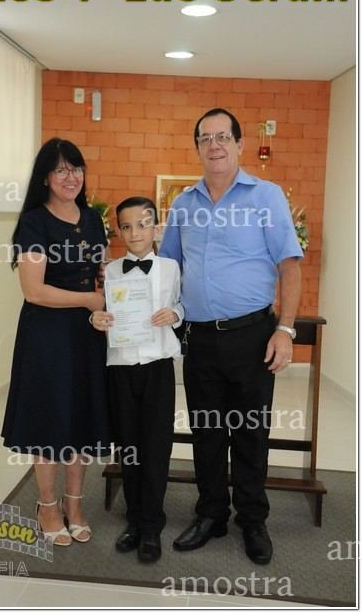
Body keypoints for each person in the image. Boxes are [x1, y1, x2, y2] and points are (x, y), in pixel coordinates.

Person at [158, 108, 303, 565]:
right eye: (205, 138)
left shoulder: (266, 196)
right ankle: (211, 514)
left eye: (223, 137)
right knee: (206, 432)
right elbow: (168, 268)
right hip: (199, 339)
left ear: (240, 144)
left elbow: (290, 266)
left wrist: (285, 330)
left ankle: (253, 520)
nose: (214, 145)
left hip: (252, 336)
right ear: (197, 148)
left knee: (250, 433)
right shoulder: (184, 204)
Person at [1, 138, 111, 546]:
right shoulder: (35, 222)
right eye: (61, 169)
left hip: (87, 334)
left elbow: (101, 272)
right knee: (50, 421)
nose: (71, 177)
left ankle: (74, 503)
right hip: (47, 335)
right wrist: (88, 300)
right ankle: (47, 505)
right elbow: (34, 291)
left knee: (80, 418)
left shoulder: (93, 218)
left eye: (76, 168)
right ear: (45, 177)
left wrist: (116, 286)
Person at [91, 197, 183, 563]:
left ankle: (152, 525)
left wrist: (175, 313)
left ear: (156, 228)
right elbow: (99, 311)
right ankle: (133, 519)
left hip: (158, 367)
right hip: (121, 367)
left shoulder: (172, 268)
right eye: (127, 227)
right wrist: (96, 319)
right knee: (128, 445)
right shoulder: (110, 271)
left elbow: (185, 304)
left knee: (156, 447)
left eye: (143, 225)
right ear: (118, 231)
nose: (135, 233)